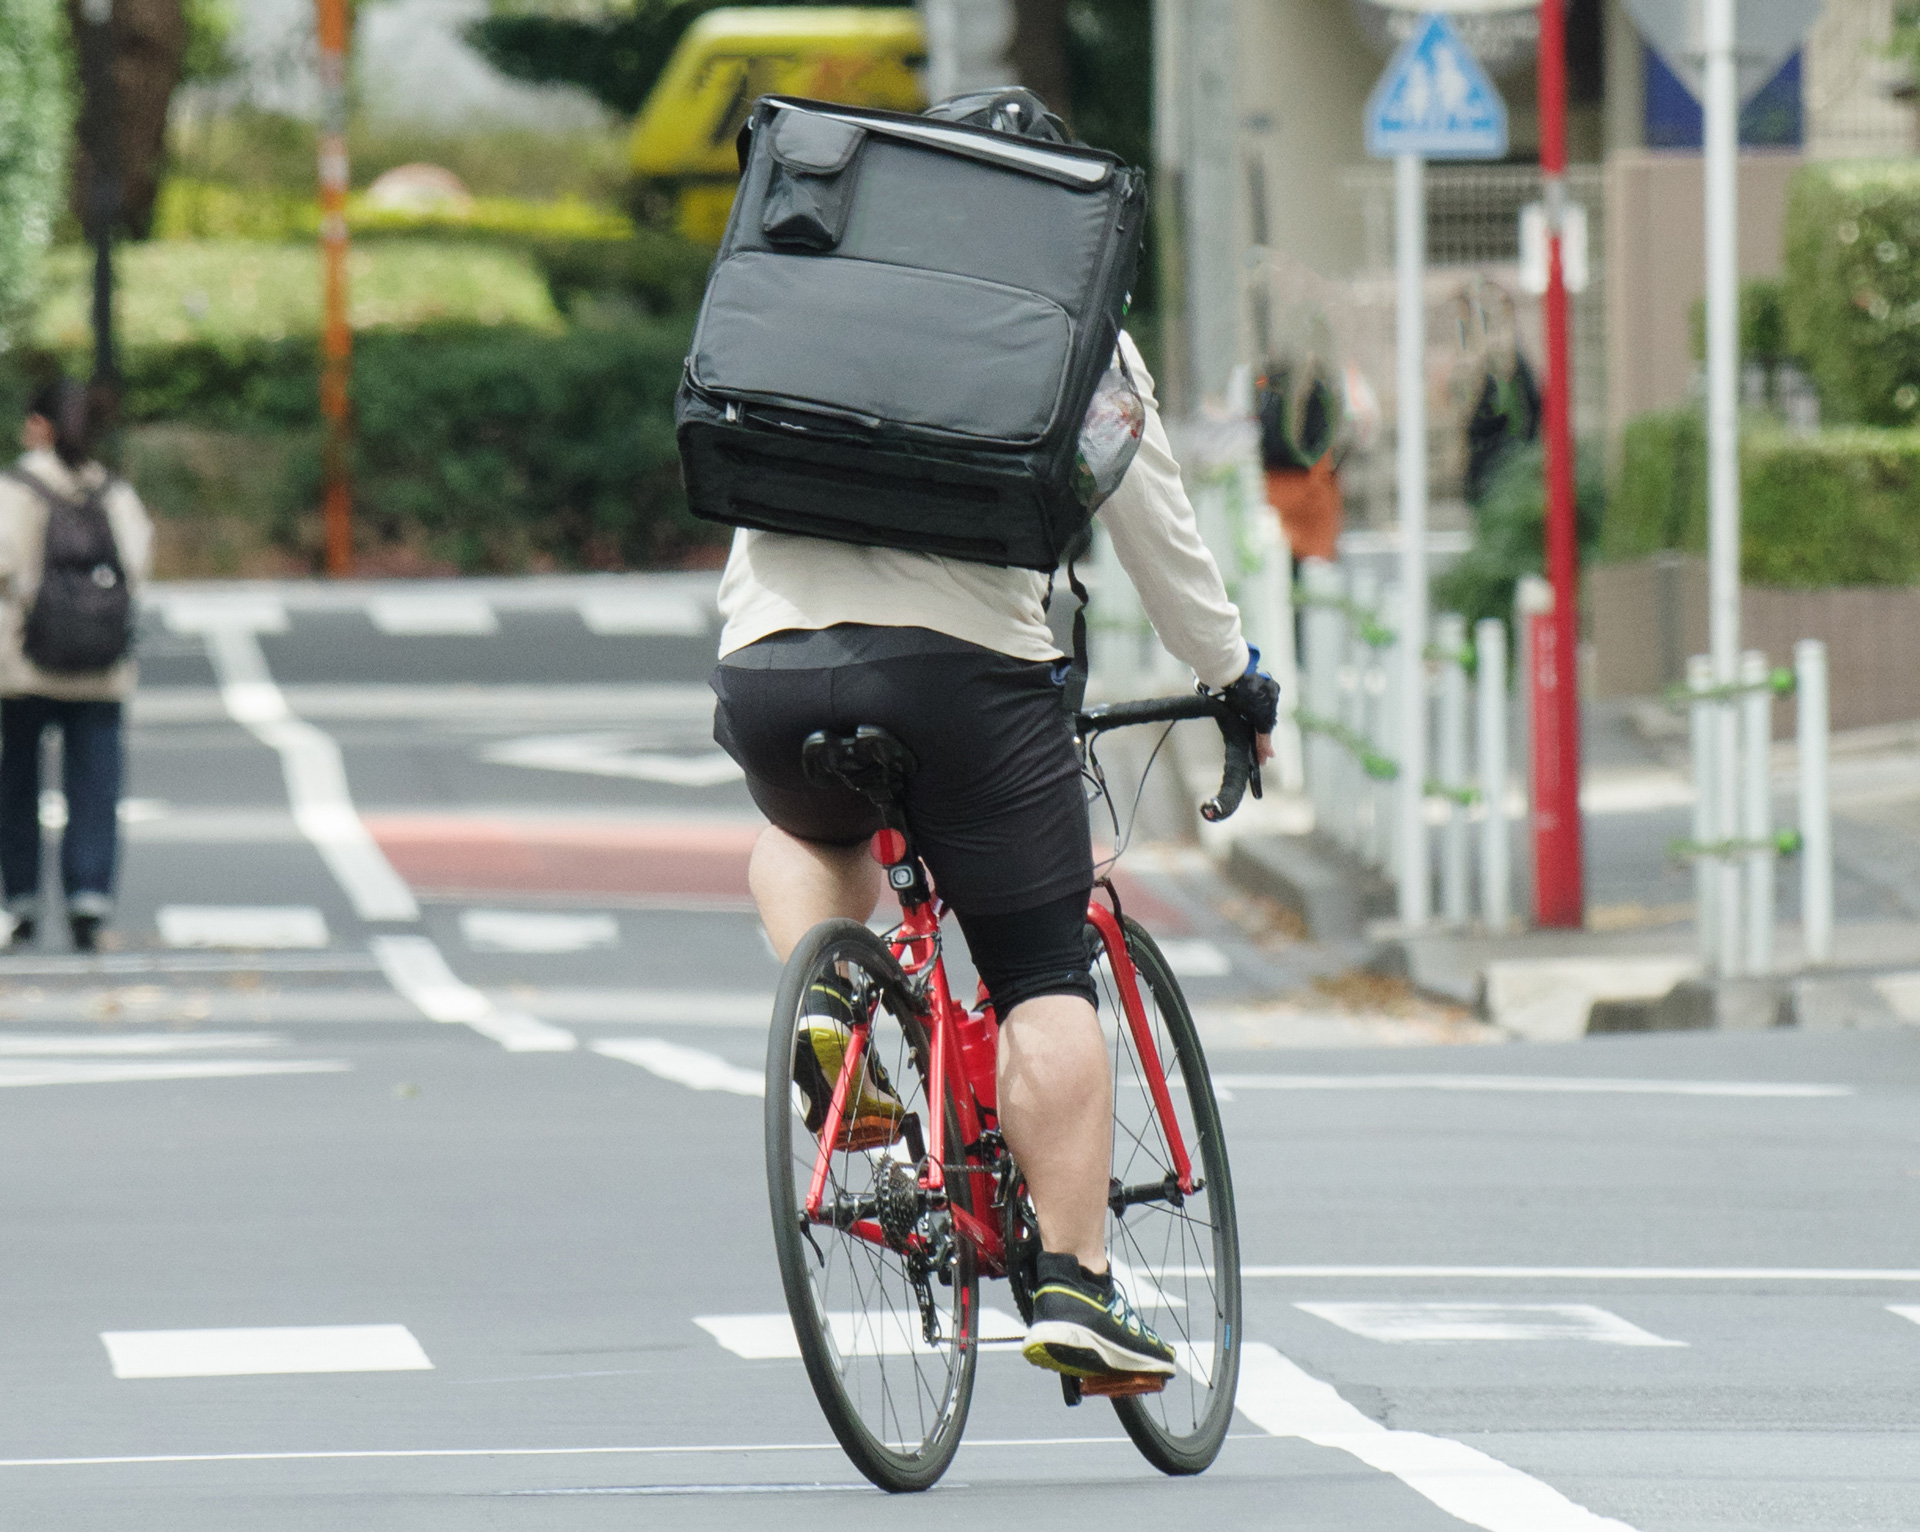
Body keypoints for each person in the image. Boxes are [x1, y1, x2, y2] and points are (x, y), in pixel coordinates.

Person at [709, 87, 1279, 1386]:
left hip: (770, 671)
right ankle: (1075, 1281)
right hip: (968, 680)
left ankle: (835, 1000)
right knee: (1039, 972)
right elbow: (1159, 537)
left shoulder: (816, 280)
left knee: (805, 829)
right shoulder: (1074, 330)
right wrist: (1229, 674)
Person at [0, 379, 153, 952]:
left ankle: (21, 898)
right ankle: (90, 895)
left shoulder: (15, 489)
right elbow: (136, 566)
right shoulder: (113, 493)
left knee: (16, 779)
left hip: (22, 665)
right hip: (100, 667)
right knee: (95, 779)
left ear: (40, 426)